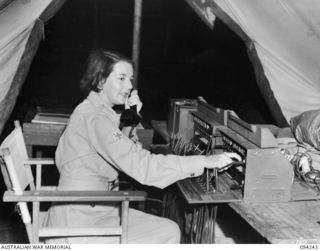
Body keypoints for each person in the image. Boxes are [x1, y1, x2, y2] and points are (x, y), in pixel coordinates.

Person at [44, 49, 240, 244]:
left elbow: (118, 149)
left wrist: (131, 118)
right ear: (100, 81)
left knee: (169, 228)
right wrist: (203, 161)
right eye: (121, 78)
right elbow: (144, 167)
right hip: (79, 223)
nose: (129, 86)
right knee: (168, 232)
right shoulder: (96, 118)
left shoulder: (94, 110)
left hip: (91, 207)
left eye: (130, 79)